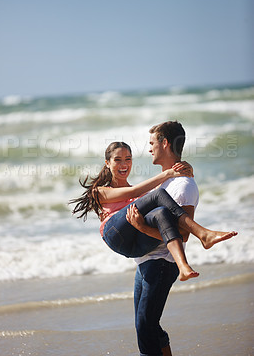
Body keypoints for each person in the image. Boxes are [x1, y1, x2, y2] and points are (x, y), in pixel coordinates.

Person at [126, 121, 237, 356]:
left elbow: (183, 234)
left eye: (152, 143)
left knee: (144, 328)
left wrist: (142, 229)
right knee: (149, 326)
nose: (149, 149)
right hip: (147, 264)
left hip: (162, 264)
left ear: (165, 143)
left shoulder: (184, 185)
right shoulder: (166, 181)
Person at [70, 141, 236, 282]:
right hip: (115, 234)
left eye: (128, 159)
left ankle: (183, 266)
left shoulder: (142, 196)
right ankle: (202, 233)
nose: (124, 164)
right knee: (157, 196)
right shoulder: (100, 191)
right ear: (107, 163)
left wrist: (187, 172)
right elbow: (135, 192)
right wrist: (168, 173)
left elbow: (162, 194)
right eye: (118, 160)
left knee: (161, 213)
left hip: (136, 247)